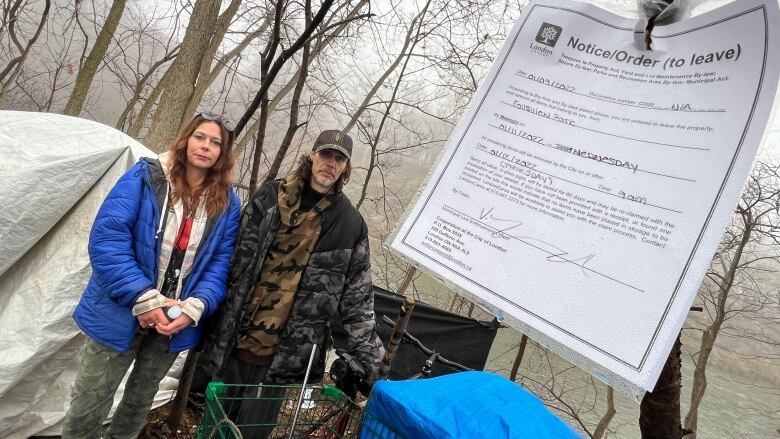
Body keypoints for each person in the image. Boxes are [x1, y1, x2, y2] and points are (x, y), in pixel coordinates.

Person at [61, 112, 241, 439]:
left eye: (216, 143)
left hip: (173, 320)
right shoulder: (146, 177)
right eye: (200, 136)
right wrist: (143, 298)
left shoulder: (227, 204)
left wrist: (194, 308)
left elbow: (220, 265)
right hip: (122, 307)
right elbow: (107, 240)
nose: (206, 146)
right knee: (91, 398)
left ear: (223, 154)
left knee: (139, 401)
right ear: (187, 138)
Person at [197, 129, 384, 438]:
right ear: (312, 156)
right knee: (217, 424)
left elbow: (358, 301)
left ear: (346, 168)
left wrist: (374, 364)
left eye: (339, 159)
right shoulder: (270, 196)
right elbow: (231, 258)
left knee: (252, 432)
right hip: (234, 339)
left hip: (286, 355)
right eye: (326, 154)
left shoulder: (351, 225)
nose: (331, 163)